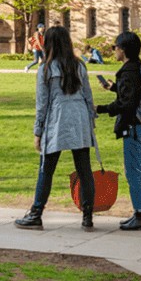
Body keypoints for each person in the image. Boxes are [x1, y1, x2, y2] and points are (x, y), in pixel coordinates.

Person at [14, 25, 96, 232]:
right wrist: (90, 125)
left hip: (57, 119)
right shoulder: (80, 66)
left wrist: (37, 132)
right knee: (84, 170)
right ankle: (88, 216)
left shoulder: (46, 69)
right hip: (79, 118)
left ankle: (36, 213)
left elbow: (42, 104)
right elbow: (88, 97)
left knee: (46, 170)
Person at [95, 31, 141, 231]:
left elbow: (126, 104)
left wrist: (100, 109)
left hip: (133, 127)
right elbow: (132, 94)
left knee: (133, 172)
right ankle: (139, 213)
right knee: (138, 171)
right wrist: (113, 88)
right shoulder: (136, 69)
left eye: (115, 47)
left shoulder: (128, 72)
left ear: (123, 50)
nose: (114, 51)